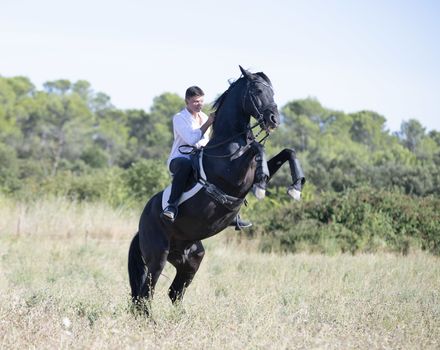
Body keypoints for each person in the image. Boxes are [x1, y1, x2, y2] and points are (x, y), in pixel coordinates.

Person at [161, 86, 251, 229]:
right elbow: (191, 140)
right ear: (187, 101)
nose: (199, 104)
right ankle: (171, 207)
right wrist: (208, 123)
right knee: (185, 166)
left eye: (201, 101)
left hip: (200, 157)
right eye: (195, 101)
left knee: (225, 171)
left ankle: (233, 216)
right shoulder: (179, 118)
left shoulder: (204, 116)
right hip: (180, 159)